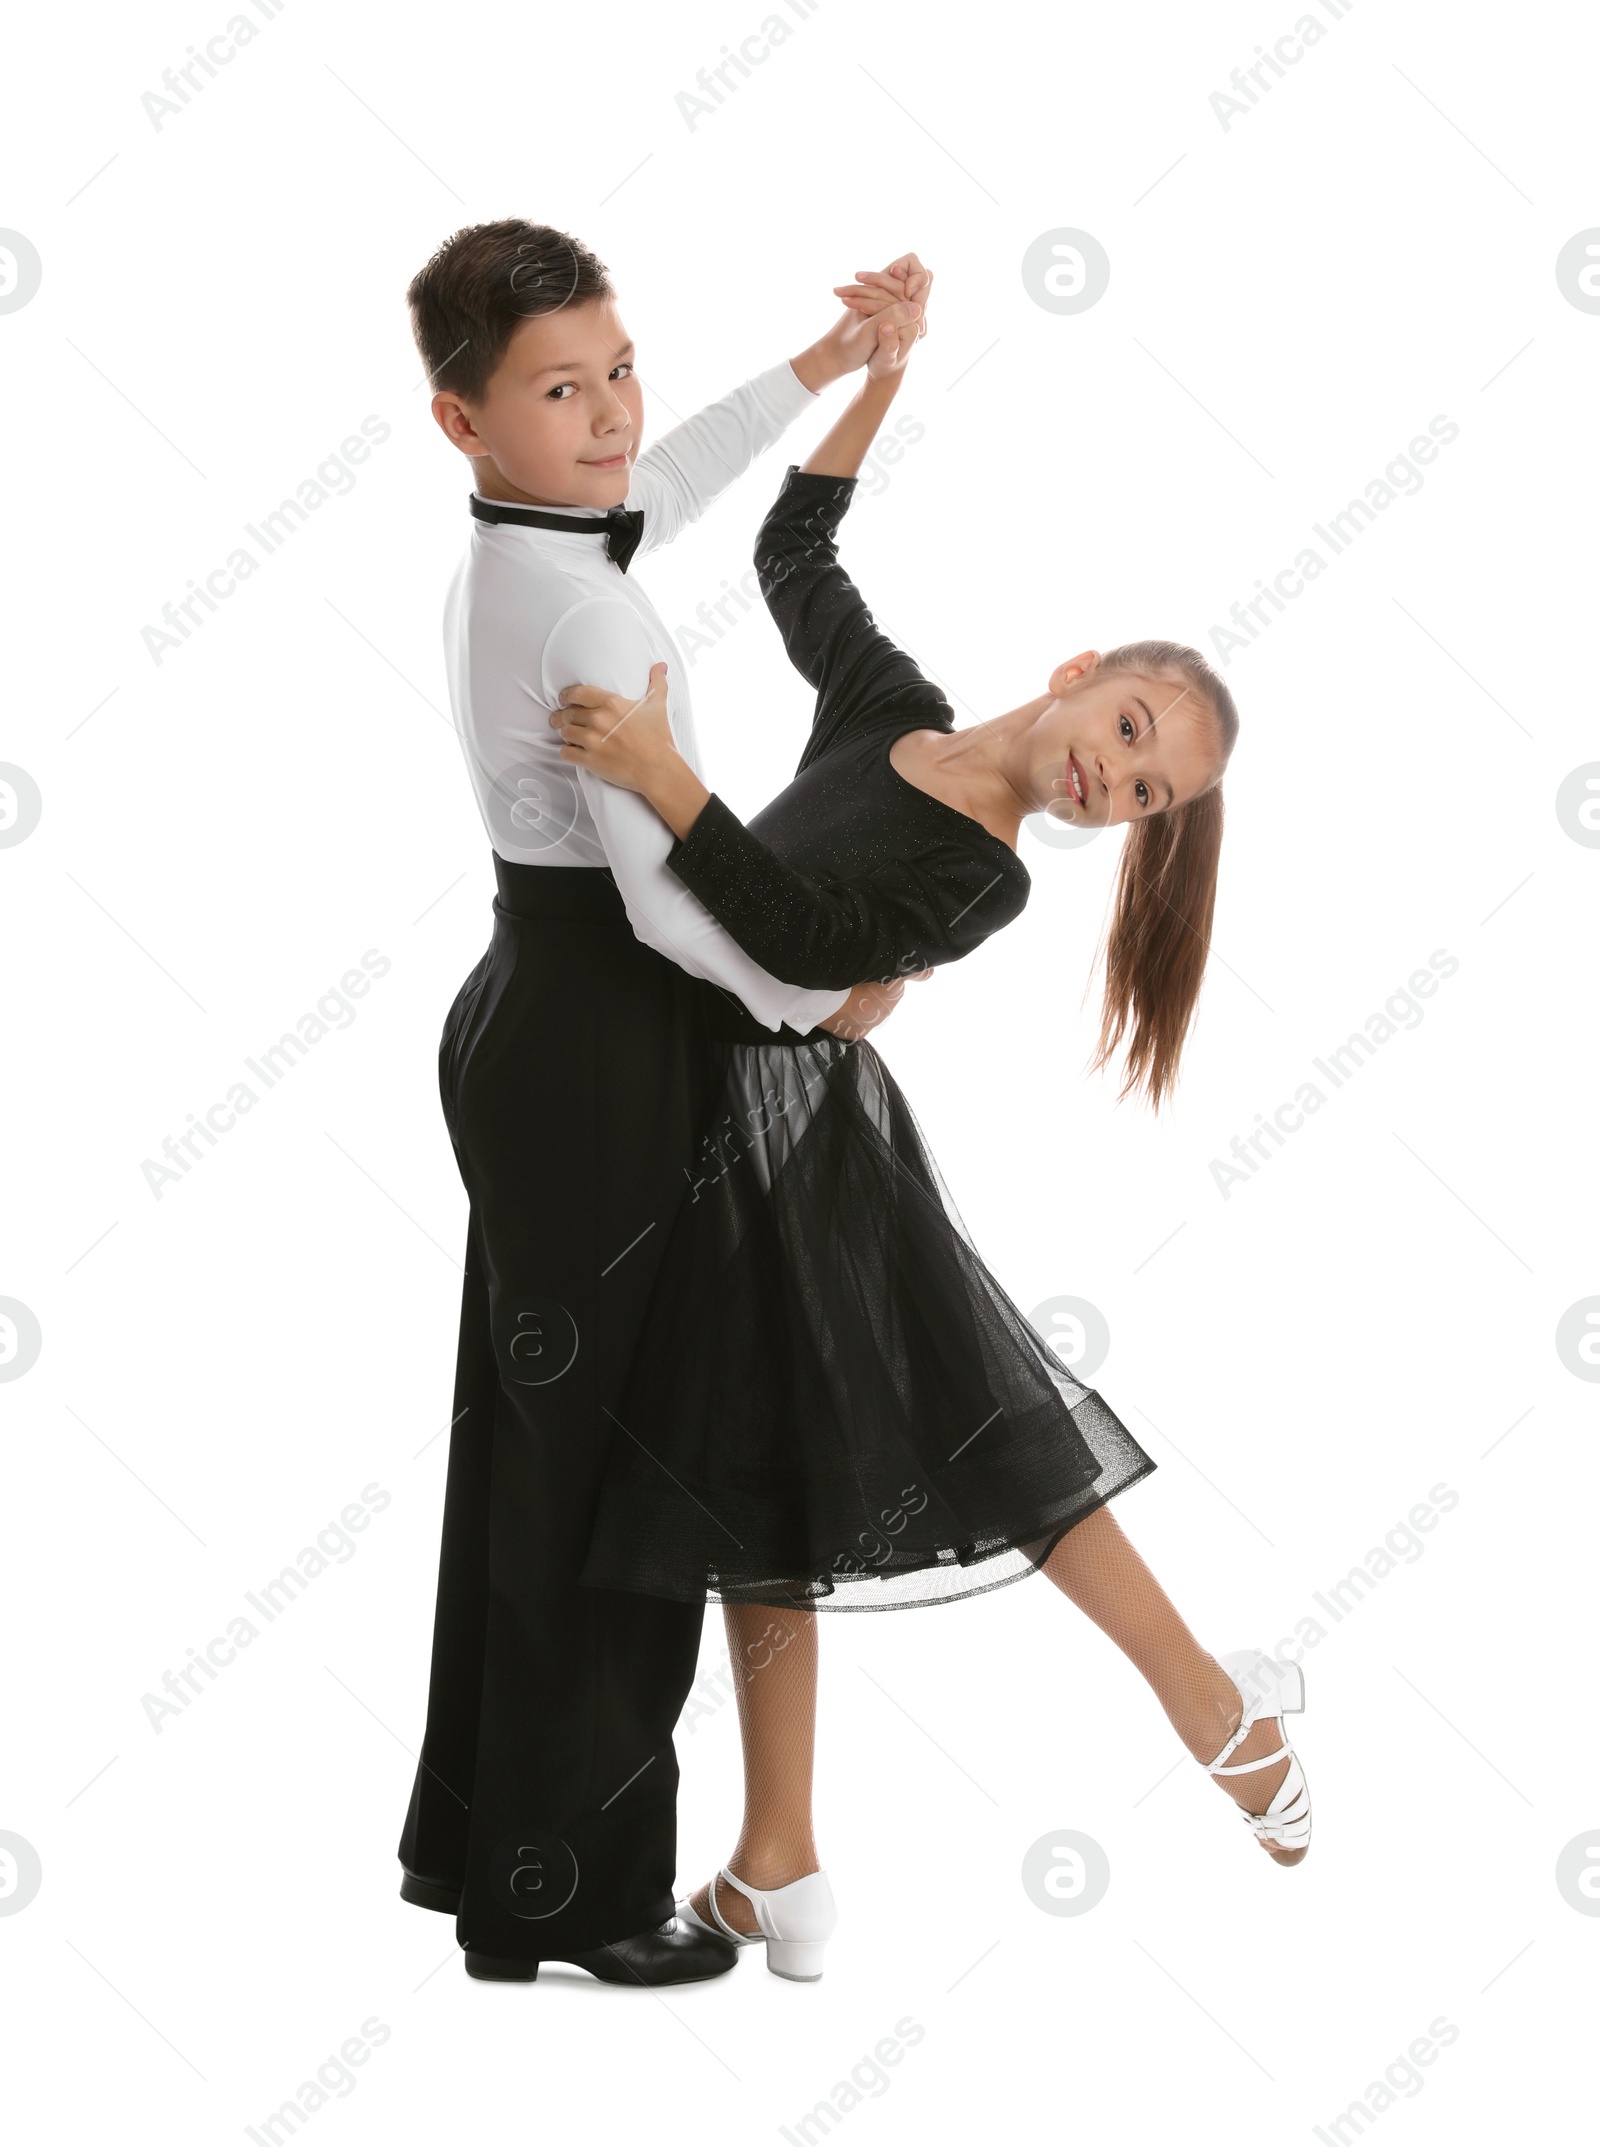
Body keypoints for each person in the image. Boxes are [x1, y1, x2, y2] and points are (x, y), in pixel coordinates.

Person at [551, 276, 1312, 1982]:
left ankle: (1214, 1709)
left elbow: (803, 946)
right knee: (751, 1484)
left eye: (1146, 797)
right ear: (1080, 673)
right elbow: (791, 563)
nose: (1114, 786)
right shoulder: (891, 708)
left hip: (803, 1147)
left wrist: (672, 778)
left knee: (990, 1438)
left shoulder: (980, 884)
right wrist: (882, 378)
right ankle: (779, 1860)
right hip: (712, 1113)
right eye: (1127, 735)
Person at [396, 217, 927, 1986]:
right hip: (603, 1040)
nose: (616, 413)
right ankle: (586, 1895)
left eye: (620, 368)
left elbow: (663, 486)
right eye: (564, 389)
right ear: (466, 420)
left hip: (546, 1023)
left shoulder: (535, 544)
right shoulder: (579, 614)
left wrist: (825, 366)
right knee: (615, 1476)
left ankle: (509, 1875)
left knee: (550, 1453)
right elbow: (663, 899)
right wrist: (824, 1003)